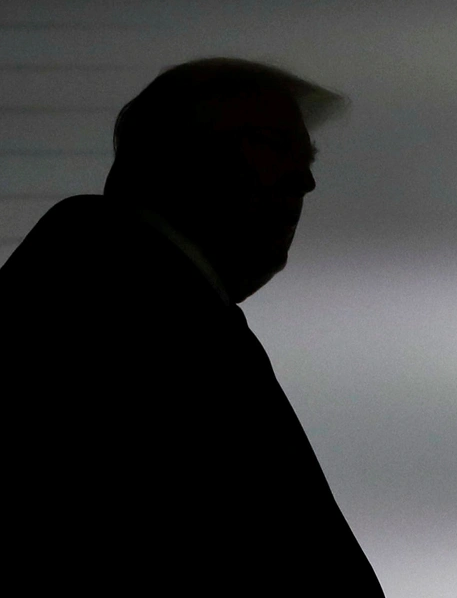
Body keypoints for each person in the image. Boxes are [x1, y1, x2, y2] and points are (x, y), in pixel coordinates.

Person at [2, 58, 385, 594]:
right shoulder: (148, 319)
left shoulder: (107, 289)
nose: (306, 180)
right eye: (275, 146)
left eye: (307, 158)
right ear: (179, 154)